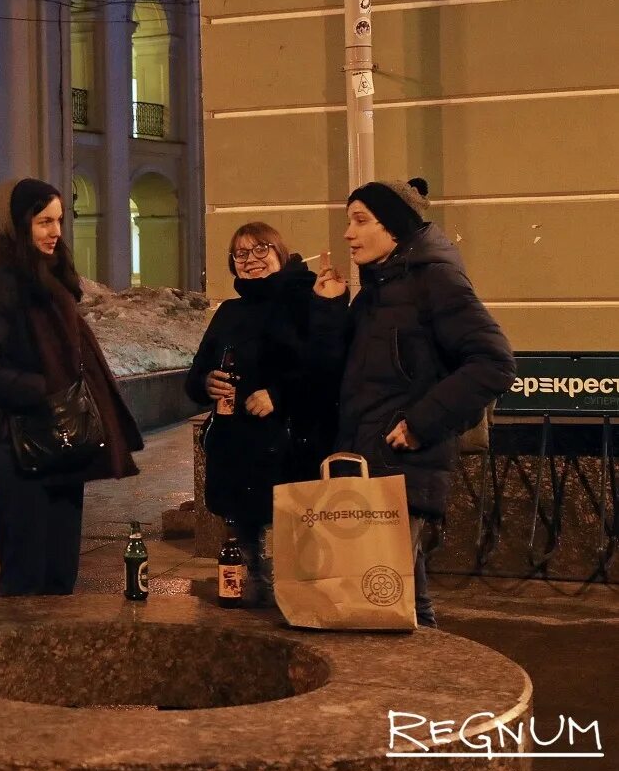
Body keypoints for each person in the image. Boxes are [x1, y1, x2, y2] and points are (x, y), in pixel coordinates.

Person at [312, 177, 514, 628]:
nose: (348, 233)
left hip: (405, 464)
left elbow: (494, 362)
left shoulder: (434, 280)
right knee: (401, 599)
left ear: (396, 227)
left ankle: (409, 691)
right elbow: (339, 372)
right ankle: (420, 689)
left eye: (361, 221)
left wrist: (420, 423)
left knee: (385, 599)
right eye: (349, 221)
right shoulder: (377, 291)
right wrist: (330, 307)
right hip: (365, 463)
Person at [0, 178, 144, 596]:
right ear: (19, 225)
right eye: (43, 222)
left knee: (59, 574)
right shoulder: (2, 283)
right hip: (22, 447)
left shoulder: (50, 278)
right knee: (26, 577)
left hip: (60, 443)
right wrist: (41, 390)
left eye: (58, 221)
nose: (55, 232)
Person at [186, 222, 337, 607]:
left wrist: (279, 396)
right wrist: (207, 383)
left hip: (290, 445)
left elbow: (327, 368)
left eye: (260, 250)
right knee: (246, 557)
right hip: (237, 449)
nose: (251, 260)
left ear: (280, 254)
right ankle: (253, 600)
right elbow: (195, 375)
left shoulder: (306, 300)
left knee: (296, 554)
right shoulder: (229, 313)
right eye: (241, 254)